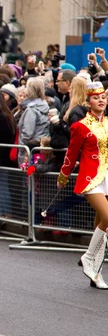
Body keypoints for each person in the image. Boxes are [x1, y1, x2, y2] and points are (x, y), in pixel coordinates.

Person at [57, 81, 108, 290]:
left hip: (107, 177)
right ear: (88, 101)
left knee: (102, 225)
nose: (101, 101)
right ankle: (88, 258)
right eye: (96, 98)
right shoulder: (80, 126)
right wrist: (63, 175)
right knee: (107, 217)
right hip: (90, 178)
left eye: (103, 97)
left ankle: (96, 273)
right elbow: (71, 153)